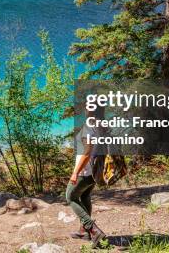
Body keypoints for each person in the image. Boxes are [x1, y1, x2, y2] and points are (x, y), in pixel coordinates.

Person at [65, 105, 106, 247]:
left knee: (70, 197)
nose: (85, 108)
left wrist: (75, 172)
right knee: (84, 196)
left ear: (91, 110)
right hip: (95, 171)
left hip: (85, 171)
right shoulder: (101, 125)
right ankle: (84, 231)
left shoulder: (88, 127)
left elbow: (87, 152)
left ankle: (93, 229)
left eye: (88, 106)